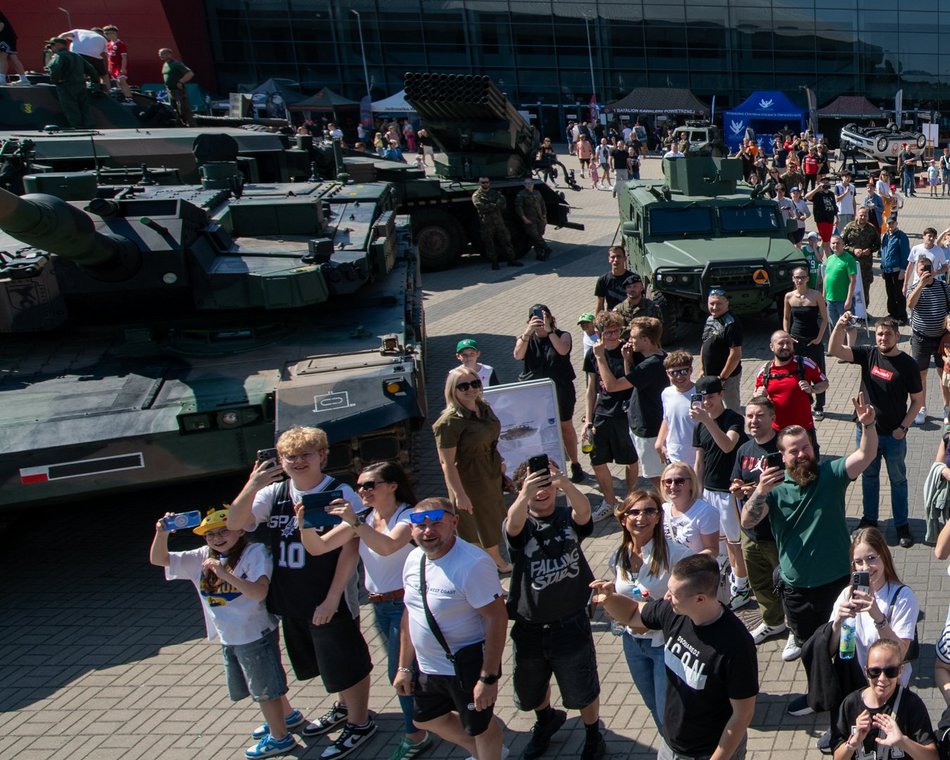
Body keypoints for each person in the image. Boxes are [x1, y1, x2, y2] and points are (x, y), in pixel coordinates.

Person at [227, 427, 377, 760]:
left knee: (347, 661)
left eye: (305, 454)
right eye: (289, 456)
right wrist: (253, 484)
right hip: (293, 596)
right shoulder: (275, 492)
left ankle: (360, 721)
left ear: (322, 455)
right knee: (326, 662)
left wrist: (333, 597)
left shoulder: (340, 493)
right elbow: (235, 523)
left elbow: (350, 550)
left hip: (328, 596)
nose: (297, 462)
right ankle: (343, 707)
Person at [740, 395, 879, 715]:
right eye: (793, 450)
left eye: (805, 447)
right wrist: (759, 491)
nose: (801, 454)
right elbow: (747, 521)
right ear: (783, 456)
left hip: (839, 586)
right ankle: (818, 695)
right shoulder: (772, 488)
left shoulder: (830, 474)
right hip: (797, 588)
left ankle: (850, 701)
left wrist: (867, 424)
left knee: (846, 647)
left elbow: (865, 454)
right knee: (809, 648)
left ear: (813, 449)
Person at [292, 462, 432, 760]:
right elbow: (319, 548)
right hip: (381, 606)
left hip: (406, 606)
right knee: (408, 672)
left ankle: (415, 736)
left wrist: (355, 524)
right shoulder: (365, 517)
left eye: (370, 485)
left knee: (401, 673)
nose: (363, 491)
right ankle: (432, 719)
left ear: (392, 485)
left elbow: (388, 546)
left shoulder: (408, 515)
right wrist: (304, 525)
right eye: (359, 487)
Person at [150, 508, 302, 760]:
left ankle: (280, 737)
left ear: (240, 530)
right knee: (265, 681)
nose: (218, 538)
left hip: (254, 633)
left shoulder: (255, 553)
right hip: (230, 635)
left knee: (264, 690)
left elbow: (258, 593)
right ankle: (287, 717)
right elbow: (159, 559)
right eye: (210, 534)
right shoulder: (202, 556)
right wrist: (161, 532)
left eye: (224, 531)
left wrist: (224, 574)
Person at [591, 554, 758, 760]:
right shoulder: (673, 612)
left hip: (709, 752)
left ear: (700, 599)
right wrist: (610, 599)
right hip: (672, 746)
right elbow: (633, 614)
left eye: (674, 594)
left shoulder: (736, 646)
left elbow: (742, 715)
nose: (667, 597)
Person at [504, 459, 605, 760]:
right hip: (530, 624)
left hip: (571, 621)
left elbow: (584, 513)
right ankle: (546, 720)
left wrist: (565, 483)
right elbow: (513, 527)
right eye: (533, 484)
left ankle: (592, 734)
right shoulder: (520, 520)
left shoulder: (566, 516)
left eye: (546, 483)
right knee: (531, 687)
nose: (541, 490)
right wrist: (523, 495)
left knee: (582, 686)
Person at [394, 498, 508, 760]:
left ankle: (488, 751)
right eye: (420, 525)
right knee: (425, 719)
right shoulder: (413, 559)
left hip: (465, 668)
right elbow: (410, 612)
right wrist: (403, 667)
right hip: (428, 667)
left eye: (436, 523)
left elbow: (496, 619)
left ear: (454, 522)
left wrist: (488, 678)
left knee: (482, 728)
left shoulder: (473, 564)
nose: (428, 531)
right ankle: (482, 753)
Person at [829, 315, 923, 547]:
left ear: (897, 336)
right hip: (867, 433)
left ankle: (901, 525)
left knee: (898, 480)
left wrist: (903, 427)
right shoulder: (868, 354)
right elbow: (834, 350)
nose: (882, 338)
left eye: (888, 334)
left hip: (894, 436)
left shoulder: (908, 365)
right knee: (869, 477)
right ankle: (869, 520)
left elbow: (918, 401)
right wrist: (840, 326)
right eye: (879, 333)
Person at [610, 490, 692, 733]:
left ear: (658, 517)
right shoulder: (619, 555)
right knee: (653, 706)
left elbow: (702, 584)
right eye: (634, 512)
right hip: (632, 642)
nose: (641, 517)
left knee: (667, 710)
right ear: (623, 519)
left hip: (663, 645)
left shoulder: (676, 554)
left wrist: (678, 599)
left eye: (649, 511)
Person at [432, 367, 511, 573]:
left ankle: (495, 560)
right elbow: (446, 463)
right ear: (453, 390)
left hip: (489, 474)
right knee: (475, 527)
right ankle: (488, 568)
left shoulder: (483, 407)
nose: (471, 389)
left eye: (475, 384)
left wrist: (499, 462)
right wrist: (459, 495)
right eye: (463, 386)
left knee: (491, 521)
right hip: (469, 480)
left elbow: (491, 438)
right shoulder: (448, 422)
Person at [729, 399, 787, 647]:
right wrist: (737, 488)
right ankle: (773, 622)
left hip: (779, 534)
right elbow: (735, 480)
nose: (753, 421)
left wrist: (759, 489)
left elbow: (793, 484)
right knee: (761, 583)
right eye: (749, 416)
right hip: (751, 533)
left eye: (759, 415)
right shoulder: (744, 450)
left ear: (772, 416)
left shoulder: (783, 448)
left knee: (789, 586)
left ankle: (797, 629)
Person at [691, 375, 751, 610]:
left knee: (736, 543)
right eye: (702, 398)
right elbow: (699, 460)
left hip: (729, 493)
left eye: (711, 397)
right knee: (722, 541)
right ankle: (733, 581)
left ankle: (743, 586)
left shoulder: (733, 419)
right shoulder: (700, 425)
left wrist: (707, 421)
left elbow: (727, 445)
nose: (706, 403)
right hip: (709, 492)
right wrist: (697, 491)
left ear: (721, 395)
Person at [830, 639, 937, 760]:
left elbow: (932, 756)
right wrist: (853, 742)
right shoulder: (850, 704)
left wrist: (903, 742)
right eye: (875, 671)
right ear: (866, 672)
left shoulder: (911, 704)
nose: (882, 678)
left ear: (900, 670)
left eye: (890, 671)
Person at [595, 316, 668, 490]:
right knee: (655, 474)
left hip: (649, 430)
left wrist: (600, 357)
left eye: (634, 337)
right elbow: (635, 381)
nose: (629, 340)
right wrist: (627, 359)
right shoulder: (654, 357)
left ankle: (670, 507)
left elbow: (612, 386)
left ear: (646, 340)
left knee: (656, 477)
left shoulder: (651, 365)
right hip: (643, 426)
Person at [514, 304, 585, 483]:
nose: (539, 319)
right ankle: (545, 465)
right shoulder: (526, 338)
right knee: (539, 428)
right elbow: (518, 355)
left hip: (560, 388)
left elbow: (563, 350)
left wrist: (549, 331)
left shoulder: (562, 335)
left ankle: (575, 463)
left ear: (551, 318)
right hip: (535, 391)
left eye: (544, 316)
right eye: (535, 317)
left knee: (565, 426)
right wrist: (528, 332)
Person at [585, 311, 637, 520]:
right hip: (602, 412)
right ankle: (609, 501)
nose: (614, 336)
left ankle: (630, 497)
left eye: (616, 331)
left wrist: (627, 359)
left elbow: (628, 379)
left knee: (630, 458)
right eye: (608, 332)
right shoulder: (592, 353)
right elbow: (591, 388)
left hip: (624, 412)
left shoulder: (628, 350)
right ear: (598, 333)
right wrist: (588, 419)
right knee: (597, 458)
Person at [753, 330, 828, 439]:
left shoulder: (805, 364)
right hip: (776, 432)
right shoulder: (765, 371)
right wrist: (758, 395)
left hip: (804, 430)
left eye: (788, 343)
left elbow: (824, 383)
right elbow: (756, 398)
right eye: (781, 343)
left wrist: (812, 389)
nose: (785, 347)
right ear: (771, 346)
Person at [906, 257, 950, 425]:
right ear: (917, 271)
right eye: (921, 268)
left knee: (944, 374)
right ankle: (921, 408)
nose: (925, 270)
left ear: (933, 269)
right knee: (920, 374)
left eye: (928, 267)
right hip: (921, 338)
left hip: (942, 339)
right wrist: (921, 285)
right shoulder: (914, 288)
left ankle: (947, 409)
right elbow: (910, 304)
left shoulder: (944, 287)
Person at [784, 265, 829, 419]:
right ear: (793, 279)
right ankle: (800, 402)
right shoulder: (789, 297)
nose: (800, 280)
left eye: (803, 277)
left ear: (808, 279)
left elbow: (824, 318)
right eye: (797, 277)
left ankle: (819, 406)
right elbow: (786, 318)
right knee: (796, 373)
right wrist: (787, 336)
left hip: (813, 341)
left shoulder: (816, 295)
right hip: (796, 341)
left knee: (819, 373)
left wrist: (819, 338)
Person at [660, 461, 719, 556]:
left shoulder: (706, 512)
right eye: (668, 481)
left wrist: (687, 566)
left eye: (679, 481)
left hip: (694, 568)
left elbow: (712, 550)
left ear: (691, 483)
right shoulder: (662, 510)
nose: (672, 486)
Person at [700, 289, 743, 411]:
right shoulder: (710, 319)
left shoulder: (732, 323)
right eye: (711, 303)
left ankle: (736, 430)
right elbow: (705, 343)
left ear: (727, 303)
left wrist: (723, 378)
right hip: (710, 376)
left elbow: (736, 354)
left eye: (719, 304)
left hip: (727, 378)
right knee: (712, 409)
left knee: (732, 410)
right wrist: (702, 369)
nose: (714, 307)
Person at [656, 350, 699, 467]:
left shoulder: (700, 394)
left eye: (684, 371)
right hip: (674, 455)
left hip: (698, 458)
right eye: (673, 373)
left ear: (691, 370)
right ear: (667, 374)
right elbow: (667, 418)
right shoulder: (666, 393)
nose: (679, 376)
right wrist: (659, 442)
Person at [45, 37, 98, 129]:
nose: (51, 47)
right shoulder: (77, 56)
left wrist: (55, 80)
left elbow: (55, 69)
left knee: (70, 107)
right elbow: (91, 70)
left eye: (52, 45)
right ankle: (89, 125)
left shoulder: (59, 56)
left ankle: (78, 126)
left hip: (66, 85)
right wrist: (95, 83)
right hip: (81, 84)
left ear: (58, 45)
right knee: (84, 106)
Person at [471, 177, 521, 271]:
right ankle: (494, 262)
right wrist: (495, 205)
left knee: (506, 241)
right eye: (483, 182)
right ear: (480, 183)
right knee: (490, 244)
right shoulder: (477, 195)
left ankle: (511, 260)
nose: (485, 184)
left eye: (486, 182)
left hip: (499, 222)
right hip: (487, 223)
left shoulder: (495, 193)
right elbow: (481, 206)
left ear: (489, 183)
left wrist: (490, 205)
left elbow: (503, 202)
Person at [840, 208, 880, 311]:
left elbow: (878, 244)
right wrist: (853, 250)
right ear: (857, 215)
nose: (863, 217)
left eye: (865, 216)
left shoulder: (871, 228)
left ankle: (863, 313)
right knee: (849, 287)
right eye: (861, 215)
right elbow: (841, 243)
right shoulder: (849, 227)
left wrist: (870, 250)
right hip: (850, 264)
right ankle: (848, 311)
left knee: (864, 289)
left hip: (865, 266)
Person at [824, 236, 858, 348]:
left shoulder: (849, 259)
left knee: (850, 326)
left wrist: (849, 299)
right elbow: (826, 277)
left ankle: (851, 350)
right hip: (830, 299)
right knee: (836, 325)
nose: (835, 245)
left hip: (843, 299)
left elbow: (853, 281)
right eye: (833, 243)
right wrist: (824, 295)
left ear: (843, 244)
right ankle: (841, 348)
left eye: (838, 243)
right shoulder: (830, 258)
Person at [612, 272, 663, 339]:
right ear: (626, 290)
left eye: (635, 286)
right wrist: (638, 328)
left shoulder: (652, 307)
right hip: (625, 345)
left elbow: (658, 329)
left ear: (642, 288)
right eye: (629, 287)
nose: (632, 289)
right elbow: (615, 330)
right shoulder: (619, 309)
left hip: (646, 345)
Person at [880, 216, 910, 324]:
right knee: (890, 294)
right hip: (887, 271)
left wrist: (903, 270)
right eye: (889, 224)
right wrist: (882, 268)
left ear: (896, 224)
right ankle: (892, 313)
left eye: (893, 224)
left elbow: (905, 254)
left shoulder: (901, 236)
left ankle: (902, 316)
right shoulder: (885, 236)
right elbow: (883, 252)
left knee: (899, 294)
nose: (891, 226)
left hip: (897, 271)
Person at [515, 177, 551, 261]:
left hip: (540, 218)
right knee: (535, 235)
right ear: (524, 185)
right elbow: (518, 208)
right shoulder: (521, 195)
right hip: (530, 219)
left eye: (530, 183)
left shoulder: (537, 193)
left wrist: (544, 217)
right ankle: (547, 249)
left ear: (533, 184)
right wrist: (524, 218)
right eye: (527, 184)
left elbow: (542, 204)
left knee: (539, 236)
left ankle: (539, 254)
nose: (529, 185)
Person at [158, 47, 195, 126]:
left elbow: (190, 74)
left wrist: (180, 82)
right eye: (160, 54)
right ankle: (180, 124)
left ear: (169, 54)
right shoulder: (165, 64)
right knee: (174, 109)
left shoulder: (176, 64)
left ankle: (191, 125)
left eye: (162, 54)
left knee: (184, 108)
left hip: (178, 90)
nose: (160, 56)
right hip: (170, 90)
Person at [805, 176, 838, 258]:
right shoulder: (817, 193)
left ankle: (818, 256)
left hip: (830, 219)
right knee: (827, 242)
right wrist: (817, 189)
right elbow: (807, 197)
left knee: (825, 240)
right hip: (821, 219)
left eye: (827, 182)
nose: (826, 184)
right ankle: (829, 260)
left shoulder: (831, 194)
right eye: (824, 182)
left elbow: (834, 206)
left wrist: (837, 216)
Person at [593, 245, 633, 313]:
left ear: (625, 258)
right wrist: (598, 321)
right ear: (609, 259)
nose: (616, 260)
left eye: (619, 256)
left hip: (630, 315)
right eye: (613, 257)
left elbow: (640, 300)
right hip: (613, 318)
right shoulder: (603, 280)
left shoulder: (633, 279)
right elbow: (600, 304)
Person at [102, 25, 133, 102]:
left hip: (119, 66)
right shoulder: (108, 44)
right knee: (118, 83)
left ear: (114, 33)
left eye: (108, 33)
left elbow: (124, 57)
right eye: (105, 34)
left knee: (122, 81)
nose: (106, 35)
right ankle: (123, 97)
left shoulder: (120, 44)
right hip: (112, 67)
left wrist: (123, 68)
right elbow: (108, 57)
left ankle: (130, 99)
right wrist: (109, 68)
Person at [0, 12, 26, 83]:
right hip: (8, 37)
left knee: (2, 56)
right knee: (13, 58)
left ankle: (1, 79)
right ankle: (24, 79)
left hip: (5, 38)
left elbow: (1, 25)